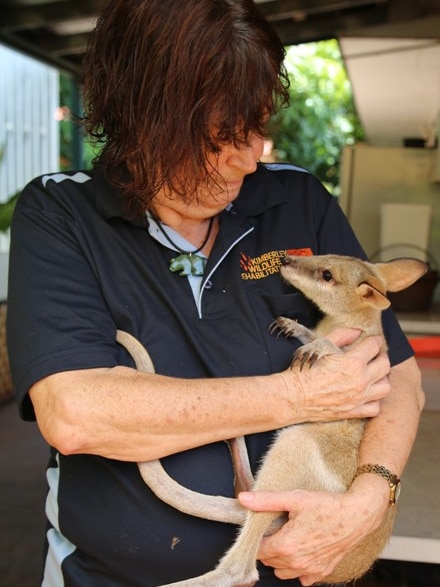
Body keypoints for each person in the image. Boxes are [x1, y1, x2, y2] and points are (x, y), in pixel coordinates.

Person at [6, 0, 424, 586]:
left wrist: (370, 498)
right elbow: (76, 414)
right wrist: (302, 395)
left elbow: (399, 375)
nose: (250, 159)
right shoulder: (62, 214)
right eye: (221, 137)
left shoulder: (299, 201)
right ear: (143, 119)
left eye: (257, 129)